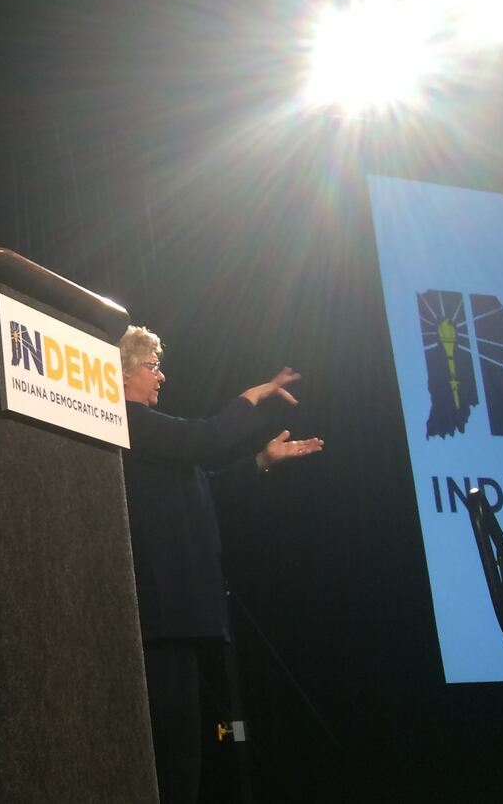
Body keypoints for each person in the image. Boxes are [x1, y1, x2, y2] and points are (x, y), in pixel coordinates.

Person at [117, 325, 322, 803]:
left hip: (176, 621)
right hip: (156, 622)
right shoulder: (124, 421)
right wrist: (251, 397)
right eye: (152, 366)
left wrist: (261, 462)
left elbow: (204, 487)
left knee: (183, 760)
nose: (161, 376)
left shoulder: (153, 440)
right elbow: (203, 440)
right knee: (170, 763)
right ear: (120, 373)